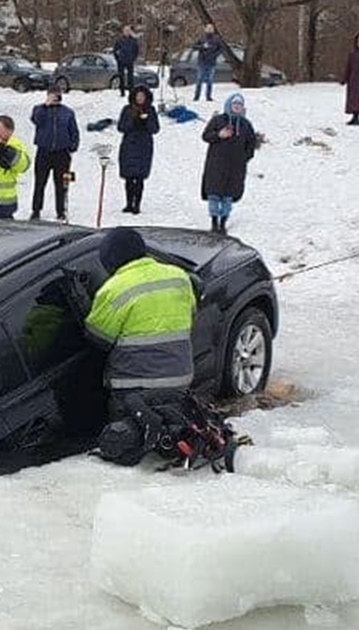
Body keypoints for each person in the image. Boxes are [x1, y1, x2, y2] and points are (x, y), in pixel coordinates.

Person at [85, 227, 196, 420]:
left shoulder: (114, 289)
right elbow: (191, 313)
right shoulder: (178, 277)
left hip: (132, 387)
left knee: (131, 439)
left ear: (111, 260)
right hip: (178, 380)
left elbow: (99, 338)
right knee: (173, 433)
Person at [201, 92, 257, 234]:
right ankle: (214, 221)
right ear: (229, 105)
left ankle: (223, 222)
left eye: (239, 105)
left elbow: (251, 144)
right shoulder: (218, 120)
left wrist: (244, 158)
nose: (237, 107)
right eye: (234, 104)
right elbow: (206, 136)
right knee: (214, 193)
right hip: (216, 164)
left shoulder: (245, 124)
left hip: (236, 167)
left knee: (228, 195)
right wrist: (219, 135)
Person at [29, 87, 79, 222]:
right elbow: (36, 120)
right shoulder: (39, 109)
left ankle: (61, 210)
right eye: (52, 95)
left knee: (61, 184)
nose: (55, 97)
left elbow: (74, 131)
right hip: (44, 151)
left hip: (62, 153)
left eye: (57, 95)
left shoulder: (67, 112)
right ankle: (36, 210)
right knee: (40, 182)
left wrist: (73, 146)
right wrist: (46, 106)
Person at [117, 85, 159, 215]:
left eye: (142, 96)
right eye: (138, 96)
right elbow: (121, 127)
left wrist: (146, 121)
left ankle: (137, 204)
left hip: (144, 146)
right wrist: (132, 120)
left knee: (140, 177)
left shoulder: (151, 110)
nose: (140, 99)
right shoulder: (127, 109)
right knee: (129, 177)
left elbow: (155, 129)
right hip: (129, 144)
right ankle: (129, 203)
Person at [194, 23, 225, 102]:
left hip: (211, 62)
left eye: (211, 29)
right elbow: (194, 47)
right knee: (199, 79)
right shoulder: (201, 38)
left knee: (210, 80)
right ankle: (196, 97)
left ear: (213, 30)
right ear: (205, 30)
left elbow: (221, 48)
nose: (209, 30)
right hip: (202, 61)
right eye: (208, 29)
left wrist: (215, 55)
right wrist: (202, 47)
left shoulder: (216, 38)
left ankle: (208, 97)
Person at [112, 25, 140, 98]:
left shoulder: (133, 40)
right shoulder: (119, 40)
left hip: (130, 61)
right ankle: (122, 91)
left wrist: (133, 58)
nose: (127, 32)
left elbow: (136, 50)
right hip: (121, 61)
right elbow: (115, 50)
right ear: (123, 32)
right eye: (125, 31)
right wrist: (118, 58)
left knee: (130, 77)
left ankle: (131, 91)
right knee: (121, 76)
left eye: (128, 31)